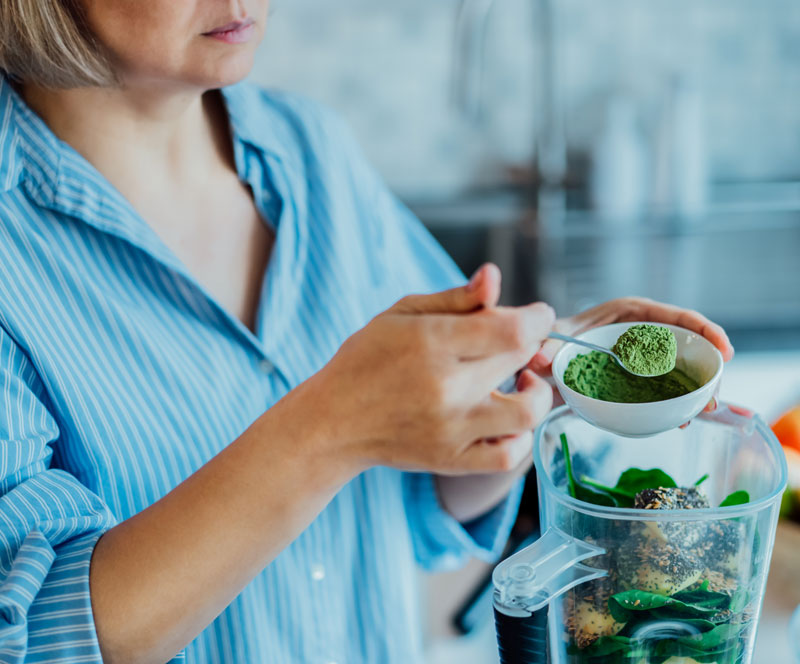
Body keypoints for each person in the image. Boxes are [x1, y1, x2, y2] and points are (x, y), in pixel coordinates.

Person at [0, 2, 734, 663]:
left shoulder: (313, 152)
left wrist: (517, 386)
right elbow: (30, 637)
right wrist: (326, 430)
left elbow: (414, 503)